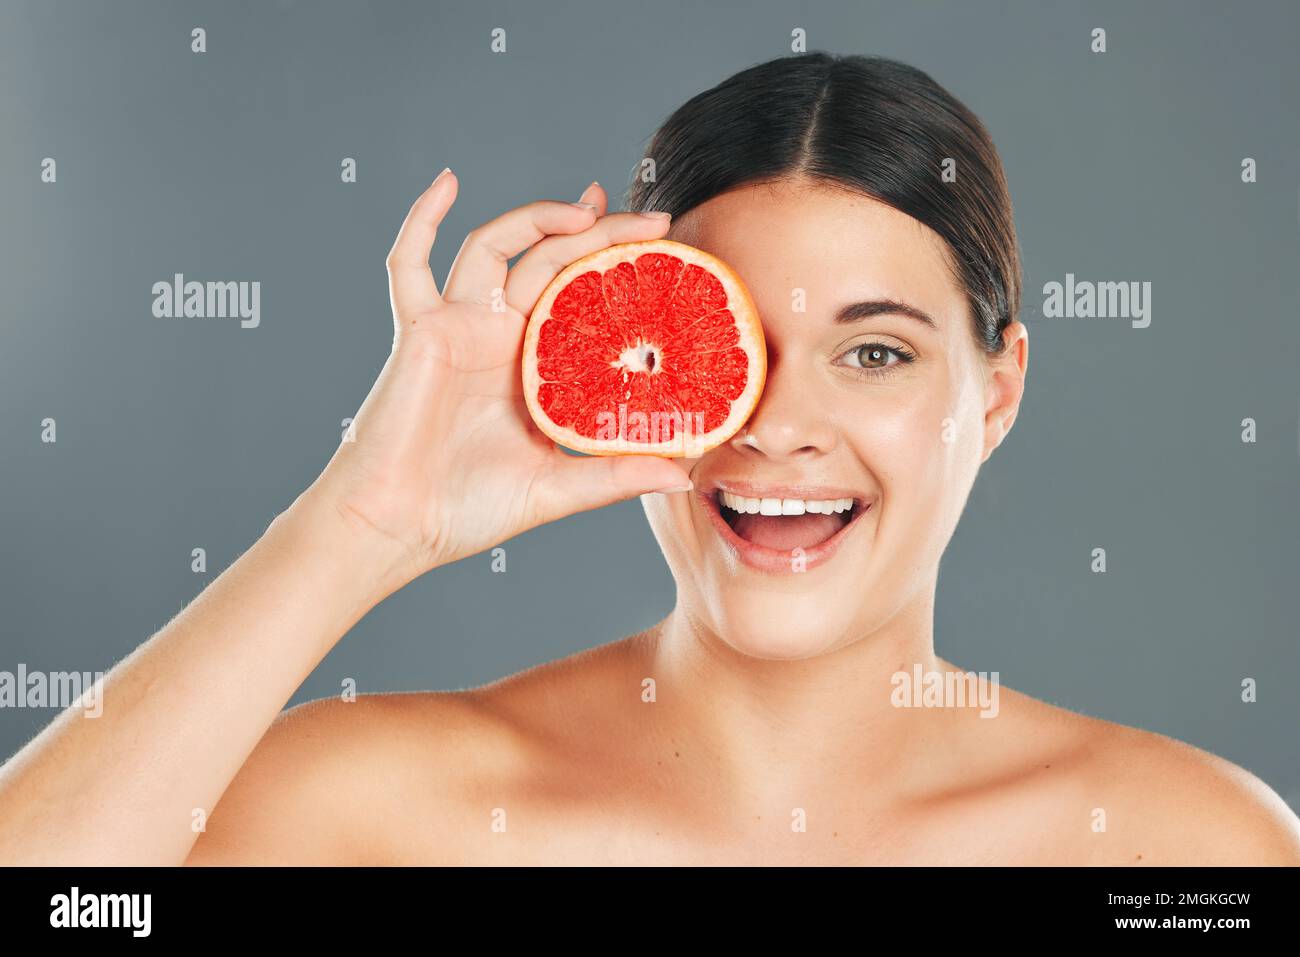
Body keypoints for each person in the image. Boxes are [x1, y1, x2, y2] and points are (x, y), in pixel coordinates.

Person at [2, 53, 1297, 866]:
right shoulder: (388, 811)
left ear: (999, 387)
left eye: (877, 352)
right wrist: (361, 521)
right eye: (727, 344)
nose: (778, 426)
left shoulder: (1180, 851)